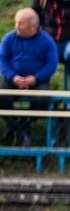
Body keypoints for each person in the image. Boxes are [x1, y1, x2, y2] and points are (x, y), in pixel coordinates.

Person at [0, 8, 58, 145]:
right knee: (1, 98)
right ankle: (20, 130)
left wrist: (35, 78)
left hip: (38, 80)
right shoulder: (9, 38)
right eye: (16, 23)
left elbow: (52, 64)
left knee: (42, 99)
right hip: (12, 79)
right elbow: (2, 60)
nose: (16, 26)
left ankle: (21, 126)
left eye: (20, 23)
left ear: (33, 27)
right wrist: (13, 77)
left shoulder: (47, 41)